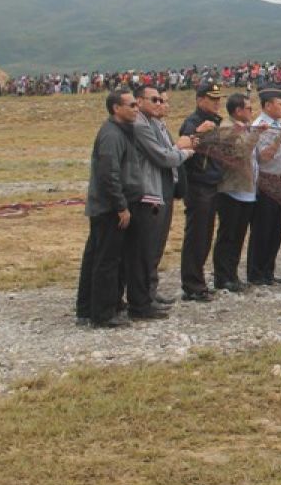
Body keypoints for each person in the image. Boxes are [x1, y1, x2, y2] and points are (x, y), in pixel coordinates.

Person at [76, 90, 143, 328]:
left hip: (111, 205)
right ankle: (102, 315)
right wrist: (121, 206)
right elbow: (109, 174)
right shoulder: (111, 135)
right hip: (108, 208)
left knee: (99, 257)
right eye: (132, 105)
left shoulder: (123, 131)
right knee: (107, 260)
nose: (137, 108)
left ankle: (89, 308)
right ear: (116, 108)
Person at [130, 85, 194, 305]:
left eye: (162, 101)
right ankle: (143, 296)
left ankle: (150, 289)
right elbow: (163, 157)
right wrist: (184, 150)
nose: (160, 104)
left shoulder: (156, 123)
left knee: (156, 244)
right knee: (147, 245)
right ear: (139, 102)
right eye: (155, 100)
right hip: (151, 190)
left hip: (165, 187)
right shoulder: (141, 125)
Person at [179, 81, 223, 302]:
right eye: (212, 99)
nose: (217, 103)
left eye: (218, 99)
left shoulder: (214, 122)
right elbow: (185, 145)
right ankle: (192, 284)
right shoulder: (193, 123)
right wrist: (198, 132)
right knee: (196, 235)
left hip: (212, 183)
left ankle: (198, 281)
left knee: (205, 235)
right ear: (200, 100)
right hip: (198, 184)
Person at [211, 93, 260, 292]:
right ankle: (223, 277)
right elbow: (240, 152)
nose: (251, 111)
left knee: (239, 234)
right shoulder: (227, 128)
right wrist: (256, 135)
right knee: (228, 235)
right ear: (238, 111)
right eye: (248, 108)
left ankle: (232, 275)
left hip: (246, 187)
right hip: (231, 188)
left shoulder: (245, 127)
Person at [248, 89, 281, 285]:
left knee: (276, 229)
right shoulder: (261, 126)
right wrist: (280, 137)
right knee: (263, 229)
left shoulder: (279, 124)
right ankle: (256, 273)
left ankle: (268, 270)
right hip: (267, 181)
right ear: (267, 106)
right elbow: (264, 156)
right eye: (280, 104)